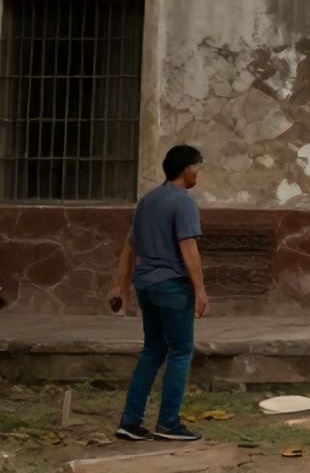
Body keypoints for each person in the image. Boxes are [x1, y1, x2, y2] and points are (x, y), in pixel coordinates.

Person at [108, 144, 209, 442]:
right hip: (172, 286)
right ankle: (168, 423)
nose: (198, 173)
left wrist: (121, 286)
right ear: (188, 168)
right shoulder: (183, 202)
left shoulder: (147, 201)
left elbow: (128, 248)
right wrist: (200, 290)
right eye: (198, 167)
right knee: (180, 351)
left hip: (146, 285)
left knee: (152, 351)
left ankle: (130, 421)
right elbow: (189, 249)